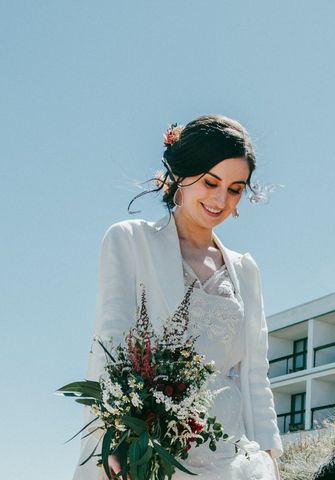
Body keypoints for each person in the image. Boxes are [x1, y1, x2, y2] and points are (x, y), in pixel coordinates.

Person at [73, 115, 282, 480]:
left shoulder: (246, 271)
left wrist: (267, 455)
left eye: (235, 189)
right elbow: (110, 340)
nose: (220, 200)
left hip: (232, 458)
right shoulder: (129, 241)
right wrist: (110, 438)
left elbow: (254, 374)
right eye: (210, 182)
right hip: (151, 451)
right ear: (180, 176)